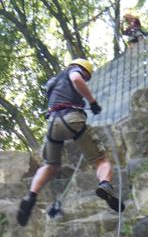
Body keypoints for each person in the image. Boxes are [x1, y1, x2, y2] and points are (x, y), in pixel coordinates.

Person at [17, 58, 125, 227]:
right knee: (101, 160)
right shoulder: (74, 71)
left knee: (50, 165)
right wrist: (92, 102)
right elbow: (76, 79)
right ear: (84, 69)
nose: (85, 79)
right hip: (72, 118)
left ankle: (31, 196)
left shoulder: (54, 82)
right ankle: (105, 185)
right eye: (87, 77)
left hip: (53, 123)